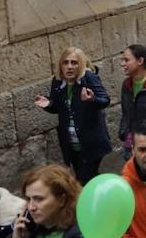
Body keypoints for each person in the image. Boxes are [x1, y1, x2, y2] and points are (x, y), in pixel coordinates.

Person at [34, 46, 112, 183]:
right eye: (66, 62)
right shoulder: (58, 81)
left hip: (90, 141)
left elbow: (104, 100)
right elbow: (57, 107)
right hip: (71, 142)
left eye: (74, 63)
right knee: (87, 177)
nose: (69, 67)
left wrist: (92, 99)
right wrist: (48, 105)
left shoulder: (89, 78)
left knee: (84, 179)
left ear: (81, 64)